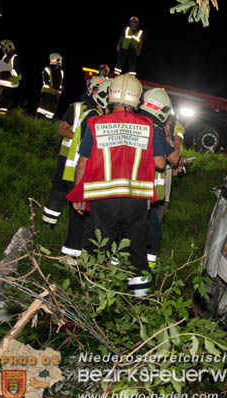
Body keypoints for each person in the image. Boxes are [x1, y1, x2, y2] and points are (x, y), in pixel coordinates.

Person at [67, 74, 166, 297]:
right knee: (136, 253)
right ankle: (140, 305)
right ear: (138, 100)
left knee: (95, 249)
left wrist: (78, 195)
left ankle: (90, 302)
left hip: (103, 200)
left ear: (111, 96)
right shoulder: (148, 126)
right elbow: (160, 163)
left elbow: (82, 163)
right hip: (136, 202)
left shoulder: (96, 123)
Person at [42, 76, 106, 227]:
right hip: (67, 157)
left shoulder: (101, 113)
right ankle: (48, 224)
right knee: (59, 189)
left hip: (83, 159)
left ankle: (73, 228)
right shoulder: (77, 108)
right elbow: (62, 130)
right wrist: (82, 138)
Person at [60, 79, 111, 258]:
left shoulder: (91, 112)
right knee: (78, 223)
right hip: (79, 175)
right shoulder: (93, 117)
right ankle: (70, 261)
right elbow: (87, 154)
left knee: (78, 222)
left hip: (77, 173)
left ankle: (72, 260)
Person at [137, 88, 182, 268]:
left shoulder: (132, 122)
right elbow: (168, 161)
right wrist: (178, 138)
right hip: (142, 192)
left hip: (123, 188)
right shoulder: (153, 130)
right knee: (153, 234)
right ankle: (146, 274)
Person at [0, 39, 21, 115]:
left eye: (4, 48)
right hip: (0, 83)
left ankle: (2, 117)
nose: (3, 50)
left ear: (8, 48)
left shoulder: (15, 58)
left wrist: (7, 67)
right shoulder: (5, 57)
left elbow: (16, 73)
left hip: (9, 84)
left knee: (3, 102)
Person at [36, 53, 64, 120]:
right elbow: (46, 80)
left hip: (56, 95)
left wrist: (59, 91)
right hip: (47, 92)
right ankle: (38, 121)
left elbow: (61, 83)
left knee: (51, 111)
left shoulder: (61, 72)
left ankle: (47, 123)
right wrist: (53, 89)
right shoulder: (47, 69)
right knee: (43, 108)